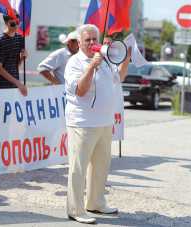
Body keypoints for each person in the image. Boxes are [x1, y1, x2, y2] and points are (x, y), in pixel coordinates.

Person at [64, 24, 131, 224]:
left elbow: (118, 78)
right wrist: (91, 66)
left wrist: (125, 59)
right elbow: (80, 90)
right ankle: (75, 209)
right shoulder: (75, 62)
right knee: (78, 167)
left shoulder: (107, 59)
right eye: (88, 40)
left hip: (104, 122)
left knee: (101, 166)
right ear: (79, 43)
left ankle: (95, 203)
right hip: (82, 122)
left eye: (95, 39)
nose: (93, 43)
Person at [0, 12, 27, 96]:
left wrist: (23, 58)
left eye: (17, 23)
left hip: (15, 84)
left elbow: (16, 64)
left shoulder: (20, 38)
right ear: (6, 23)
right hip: (3, 85)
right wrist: (18, 83)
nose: (16, 26)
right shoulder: (0, 41)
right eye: (13, 24)